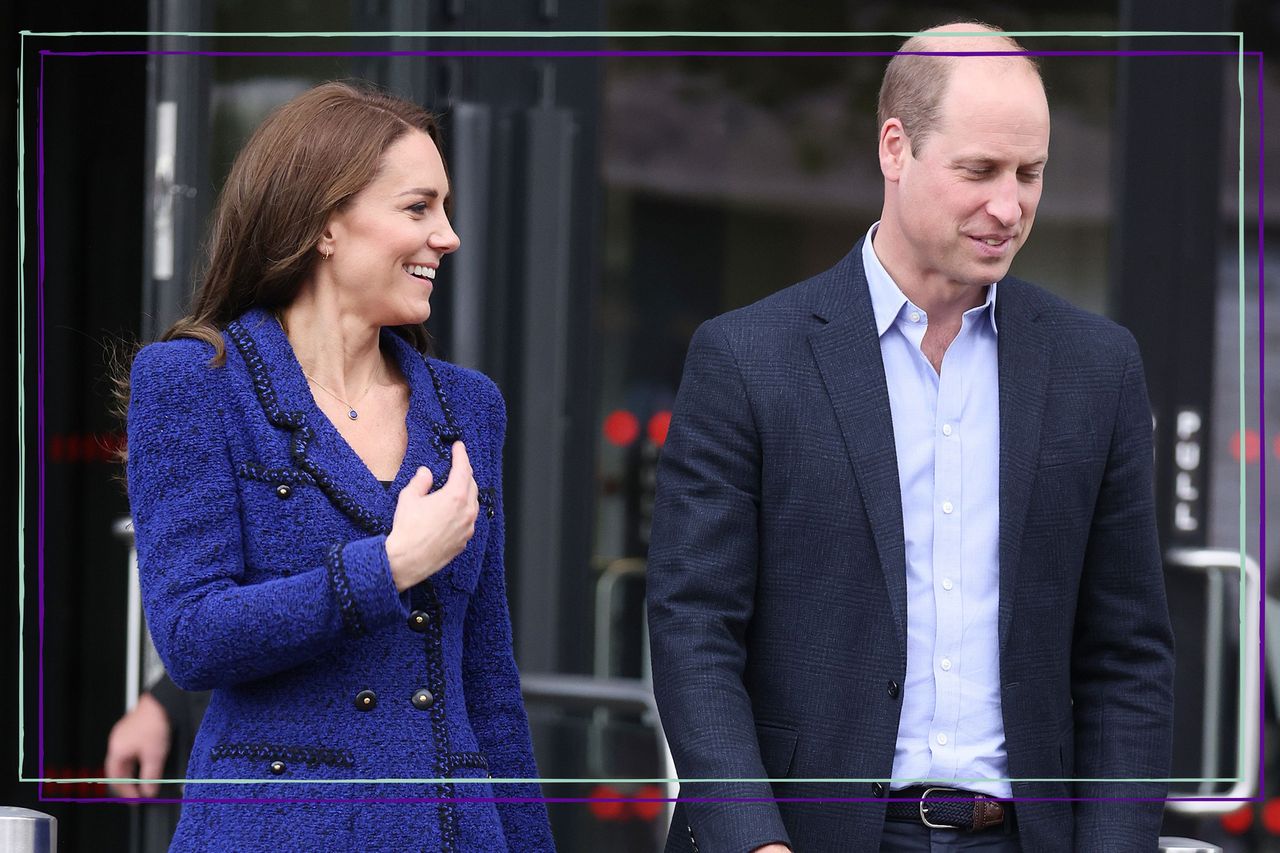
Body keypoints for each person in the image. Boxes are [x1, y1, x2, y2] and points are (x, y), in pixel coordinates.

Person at [646, 22, 1175, 853]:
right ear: (896, 147)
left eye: (1030, 173)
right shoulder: (747, 357)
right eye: (980, 171)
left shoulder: (1096, 368)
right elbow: (693, 626)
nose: (1009, 206)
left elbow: (1127, 656)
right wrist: (754, 840)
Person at [125, 80, 554, 852]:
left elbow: (488, 684)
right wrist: (385, 566)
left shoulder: (468, 407)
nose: (448, 236)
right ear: (327, 224)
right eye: (419, 208)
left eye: (445, 209)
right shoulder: (193, 382)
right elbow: (191, 636)